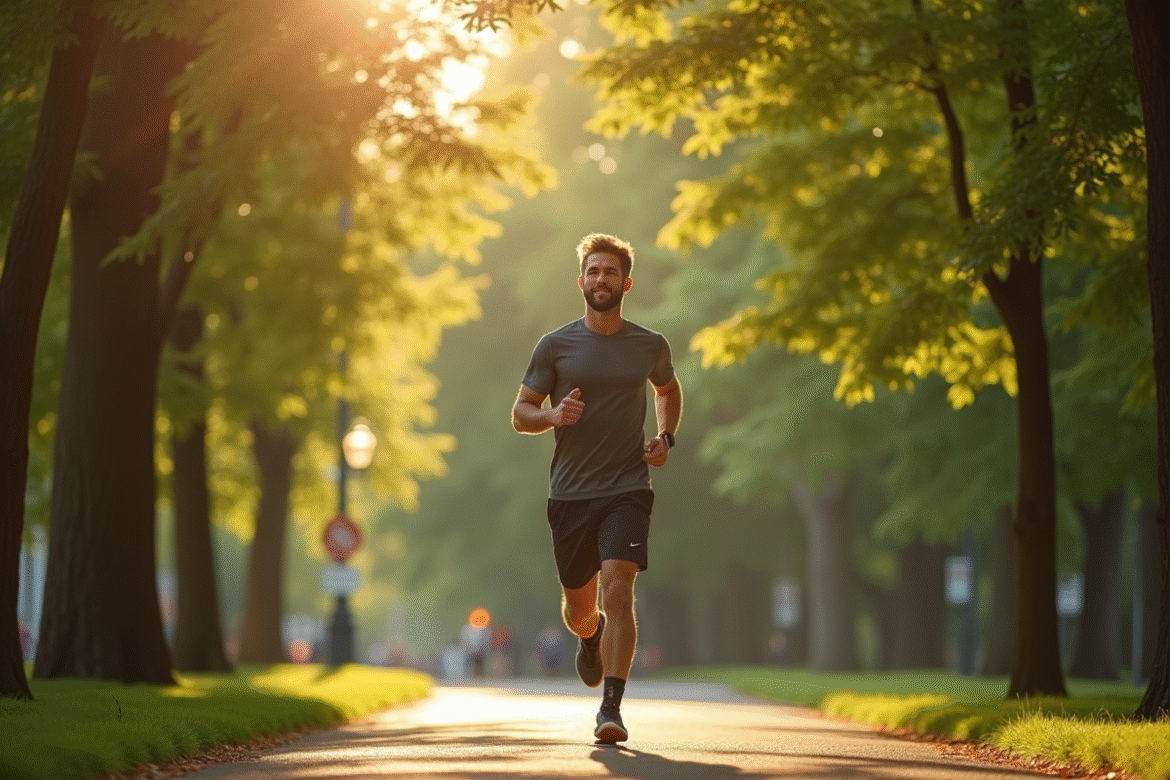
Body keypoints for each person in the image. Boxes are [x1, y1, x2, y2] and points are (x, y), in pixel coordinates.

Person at [511, 233, 683, 744]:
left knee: (618, 582)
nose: (601, 279)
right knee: (582, 609)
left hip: (628, 486)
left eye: (610, 272)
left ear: (626, 283)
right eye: (593, 272)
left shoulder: (649, 344)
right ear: (580, 282)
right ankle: (590, 636)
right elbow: (520, 415)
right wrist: (553, 415)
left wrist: (666, 437)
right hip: (569, 493)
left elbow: (668, 389)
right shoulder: (555, 345)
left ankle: (611, 707)